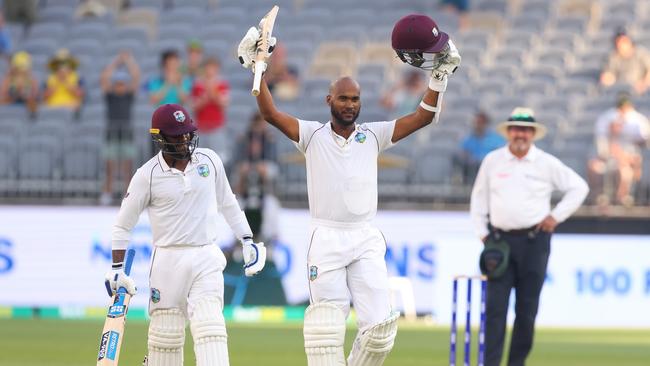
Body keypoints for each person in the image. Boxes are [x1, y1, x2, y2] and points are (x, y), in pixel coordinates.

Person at [238, 13, 461, 366]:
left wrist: (439, 77)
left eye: (355, 99)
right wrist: (258, 68)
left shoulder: (372, 135)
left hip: (364, 237)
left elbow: (422, 117)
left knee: (381, 331)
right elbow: (269, 113)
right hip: (326, 238)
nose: (350, 105)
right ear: (329, 100)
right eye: (343, 98)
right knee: (326, 336)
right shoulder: (311, 135)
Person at [104, 103, 266, 366]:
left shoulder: (210, 160)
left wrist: (247, 239)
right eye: (176, 135)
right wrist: (116, 268)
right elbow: (123, 225)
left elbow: (228, 202)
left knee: (210, 329)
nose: (184, 139)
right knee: (165, 342)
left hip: (206, 256)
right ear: (159, 137)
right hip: (168, 262)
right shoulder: (147, 176)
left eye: (187, 133)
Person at [470, 107, 589, 366]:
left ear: (533, 133)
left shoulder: (545, 162)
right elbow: (478, 200)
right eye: (515, 129)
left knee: (526, 310)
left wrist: (555, 217)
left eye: (525, 130)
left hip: (535, 242)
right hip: (499, 242)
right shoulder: (493, 160)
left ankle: (516, 363)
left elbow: (579, 187)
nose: (520, 134)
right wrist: (482, 234)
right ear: (508, 132)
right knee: (494, 309)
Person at [588, 93, 649, 206]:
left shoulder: (638, 122)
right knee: (594, 167)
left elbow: (638, 150)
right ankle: (600, 197)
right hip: (610, 160)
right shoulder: (607, 121)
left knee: (624, 172)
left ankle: (621, 199)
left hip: (627, 162)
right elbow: (604, 151)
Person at [99, 50, 141, 206]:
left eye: (122, 83)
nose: (120, 86)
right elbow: (104, 78)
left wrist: (128, 60)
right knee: (110, 167)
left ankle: (128, 195)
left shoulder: (129, 96)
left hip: (126, 133)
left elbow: (136, 77)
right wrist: (117, 61)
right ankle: (107, 193)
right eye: (117, 83)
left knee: (127, 167)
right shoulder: (110, 96)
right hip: (112, 133)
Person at [453, 111, 505, 184]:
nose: (478, 125)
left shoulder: (496, 138)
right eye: (477, 122)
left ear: (486, 123)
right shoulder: (468, 138)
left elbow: (501, 152)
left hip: (490, 169)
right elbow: (463, 152)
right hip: (472, 169)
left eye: (481, 122)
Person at [191, 56, 229, 150]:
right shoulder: (198, 85)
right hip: (201, 127)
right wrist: (203, 100)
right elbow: (194, 105)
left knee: (218, 155)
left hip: (216, 127)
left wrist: (212, 93)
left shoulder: (221, 85)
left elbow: (224, 104)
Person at [234, 111, 277, 196]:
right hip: (248, 163)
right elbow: (239, 155)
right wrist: (244, 163)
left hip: (265, 163)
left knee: (265, 170)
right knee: (242, 170)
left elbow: (273, 157)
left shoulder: (269, 138)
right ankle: (239, 196)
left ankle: (267, 195)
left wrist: (262, 163)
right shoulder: (245, 137)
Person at [600, 28, 650, 95]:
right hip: (620, 90)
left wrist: (644, 84)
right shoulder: (613, 57)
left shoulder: (641, 53)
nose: (620, 44)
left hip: (640, 90)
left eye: (623, 41)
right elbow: (607, 76)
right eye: (618, 41)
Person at [0, 51, 40, 115]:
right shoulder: (8, 79)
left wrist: (25, 95)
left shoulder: (32, 80)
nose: (21, 71)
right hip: (10, 106)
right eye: (19, 68)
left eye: (23, 68)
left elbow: (36, 96)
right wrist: (15, 94)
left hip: (26, 103)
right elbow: (2, 97)